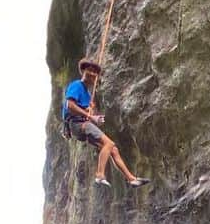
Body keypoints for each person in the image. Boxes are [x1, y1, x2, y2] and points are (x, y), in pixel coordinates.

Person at [62, 58, 150, 189]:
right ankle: (100, 175)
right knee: (109, 143)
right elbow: (70, 105)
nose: (92, 74)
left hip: (81, 124)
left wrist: (92, 111)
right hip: (78, 124)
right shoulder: (77, 85)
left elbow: (86, 111)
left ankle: (131, 179)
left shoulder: (87, 93)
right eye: (89, 70)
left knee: (113, 149)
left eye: (95, 72)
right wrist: (90, 116)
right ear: (83, 71)